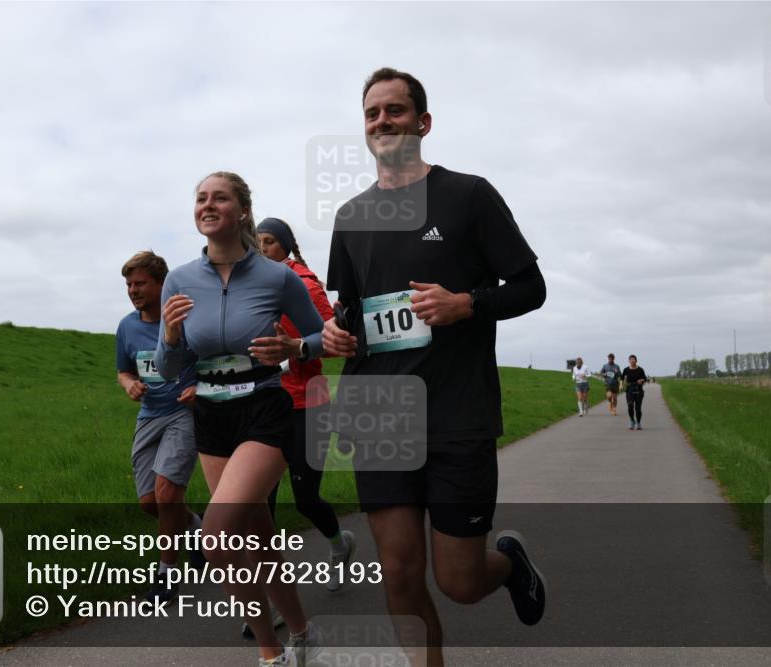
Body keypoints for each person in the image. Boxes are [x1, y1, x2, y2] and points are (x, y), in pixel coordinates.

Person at [322, 67, 548, 667]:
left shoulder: (469, 195)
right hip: (378, 414)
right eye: (372, 113)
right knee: (398, 573)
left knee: (459, 582)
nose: (382, 121)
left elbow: (531, 287)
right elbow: (349, 309)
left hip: (456, 411)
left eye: (395, 110)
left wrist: (465, 303)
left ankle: (509, 564)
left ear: (423, 123)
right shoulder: (350, 216)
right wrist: (333, 332)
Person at [156, 172, 324, 667]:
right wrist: (168, 337)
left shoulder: (278, 276)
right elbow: (170, 370)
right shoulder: (180, 279)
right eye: (200, 198)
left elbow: (325, 338)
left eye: (219, 197)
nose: (207, 205)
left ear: (243, 211)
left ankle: (270, 655)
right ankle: (300, 633)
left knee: (217, 537)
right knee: (259, 540)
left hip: (264, 409)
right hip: (210, 415)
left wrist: (294, 346)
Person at [257, 217, 356, 593]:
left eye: (268, 241)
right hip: (265, 403)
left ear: (285, 246)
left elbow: (335, 340)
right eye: (257, 242)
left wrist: (292, 356)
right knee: (259, 501)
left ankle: (338, 545)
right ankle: (270, 591)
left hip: (307, 404)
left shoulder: (305, 285)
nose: (262, 248)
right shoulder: (253, 285)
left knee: (305, 499)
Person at [115, 251, 204, 605]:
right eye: (128, 284)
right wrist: (128, 385)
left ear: (161, 284)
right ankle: (197, 531)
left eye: (140, 283)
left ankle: (167, 579)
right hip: (149, 416)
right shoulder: (126, 326)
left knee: (167, 493)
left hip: (183, 413)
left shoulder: (185, 319)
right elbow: (124, 370)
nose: (133, 290)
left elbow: (209, 359)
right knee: (150, 503)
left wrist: (200, 386)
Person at [621, 354, 649, 430]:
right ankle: (632, 421)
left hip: (638, 389)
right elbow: (621, 378)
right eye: (630, 359)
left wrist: (641, 380)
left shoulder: (640, 369)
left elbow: (645, 379)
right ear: (629, 361)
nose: (632, 360)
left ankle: (639, 423)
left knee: (638, 408)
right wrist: (621, 385)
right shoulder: (626, 370)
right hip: (629, 389)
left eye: (633, 359)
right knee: (630, 406)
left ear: (636, 360)